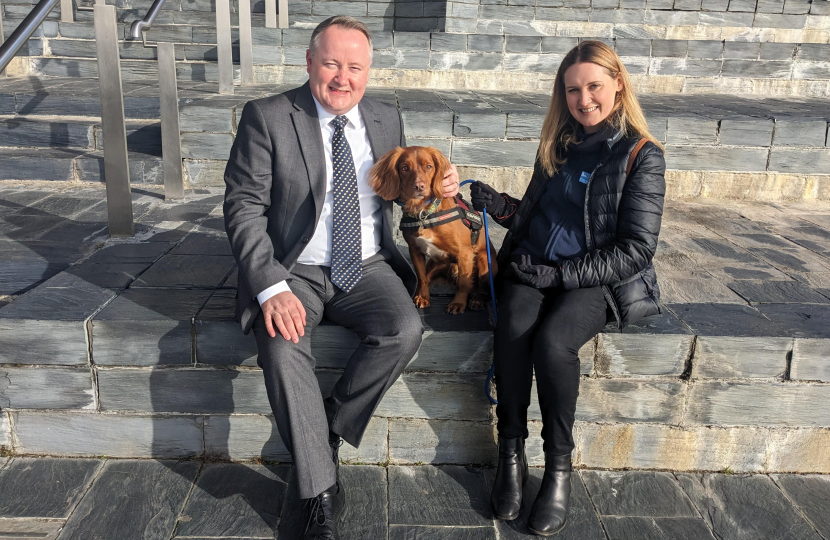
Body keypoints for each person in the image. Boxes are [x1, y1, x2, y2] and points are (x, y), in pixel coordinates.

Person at [223, 16, 460, 539]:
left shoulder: (384, 118)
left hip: (369, 265)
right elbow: (242, 207)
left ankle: (323, 430)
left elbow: (405, 191)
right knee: (282, 345)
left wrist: (444, 186)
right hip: (295, 268)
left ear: (368, 71)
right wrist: (270, 285)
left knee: (405, 330)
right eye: (331, 63)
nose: (342, 77)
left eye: (354, 67)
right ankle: (316, 495)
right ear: (309, 62)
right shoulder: (267, 117)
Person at [470, 40, 666, 536]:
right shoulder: (559, 143)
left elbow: (636, 249)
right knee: (513, 324)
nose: (584, 100)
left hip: (596, 278)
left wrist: (561, 276)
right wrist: (502, 207)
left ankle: (558, 468)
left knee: (555, 342)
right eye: (573, 90)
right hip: (535, 268)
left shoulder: (641, 154)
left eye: (594, 86)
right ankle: (509, 453)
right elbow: (540, 214)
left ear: (618, 83)